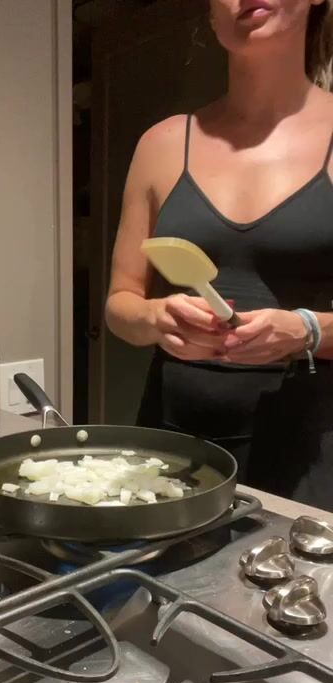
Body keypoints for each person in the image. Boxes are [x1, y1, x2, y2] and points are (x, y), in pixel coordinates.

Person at [106, 0, 333, 510]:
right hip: (173, 450)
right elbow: (121, 303)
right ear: (211, 18)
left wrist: (307, 330)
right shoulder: (162, 144)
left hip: (312, 459)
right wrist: (155, 317)